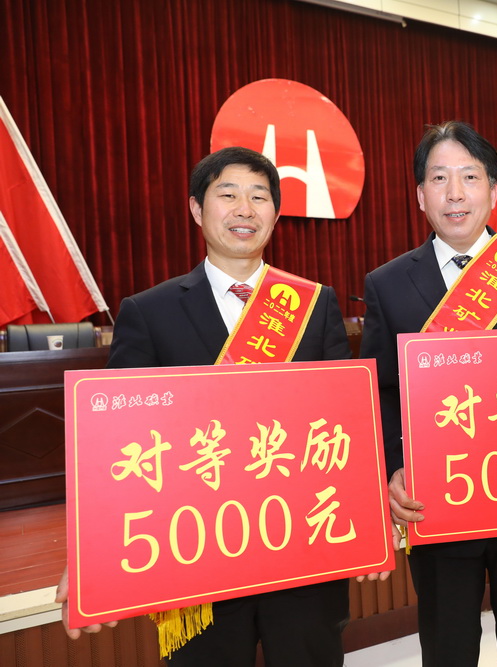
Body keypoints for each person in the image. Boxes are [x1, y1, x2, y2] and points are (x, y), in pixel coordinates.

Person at [55, 146, 369, 666]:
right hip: (198, 561)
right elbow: (114, 446)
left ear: (275, 213)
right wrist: (91, 553)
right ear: (197, 209)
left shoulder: (315, 305)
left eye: (259, 197)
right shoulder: (149, 312)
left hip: (303, 552)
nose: (245, 209)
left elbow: (346, 427)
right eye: (228, 194)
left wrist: (366, 526)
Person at [360, 121, 497, 666]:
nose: (454, 193)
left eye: (469, 177)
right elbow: (380, 392)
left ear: (493, 190)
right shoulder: (386, 283)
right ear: (420, 195)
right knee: (447, 651)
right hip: (436, 507)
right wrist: (392, 468)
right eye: (439, 178)